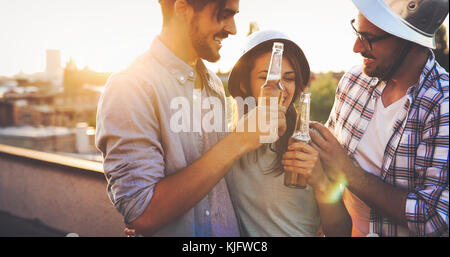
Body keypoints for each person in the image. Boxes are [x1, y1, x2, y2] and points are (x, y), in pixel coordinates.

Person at [96, 0, 285, 237]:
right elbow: (142, 213)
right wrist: (239, 141)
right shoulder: (131, 86)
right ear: (183, 10)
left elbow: (216, 177)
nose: (233, 29)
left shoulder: (214, 85)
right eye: (225, 15)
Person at [309, 0, 449, 236]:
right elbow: (327, 162)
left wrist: (349, 173)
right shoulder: (352, 82)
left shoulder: (442, 105)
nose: (356, 47)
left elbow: (434, 216)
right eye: (357, 32)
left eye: (368, 38)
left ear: (410, 41)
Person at [225, 30, 352, 237]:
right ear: (243, 84)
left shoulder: (315, 141)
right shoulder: (226, 141)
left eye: (289, 78)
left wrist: (320, 181)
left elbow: (342, 232)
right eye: (266, 77)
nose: (279, 87)